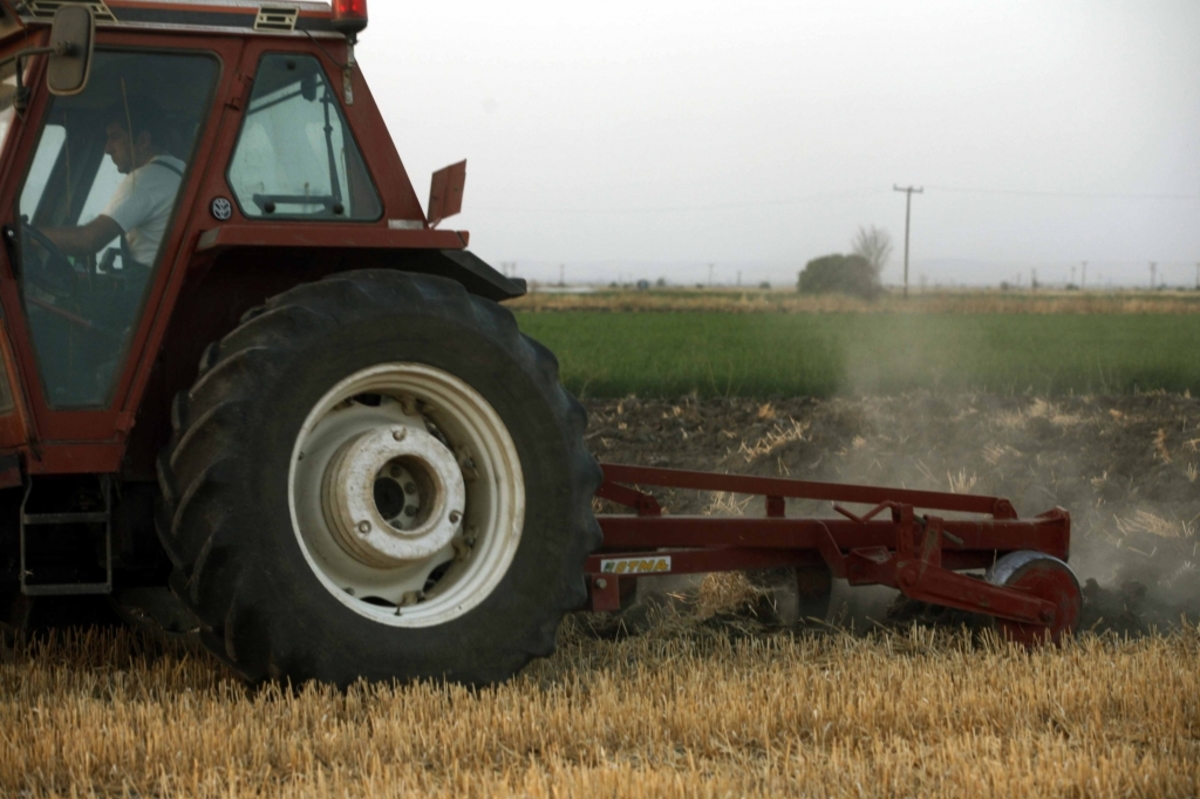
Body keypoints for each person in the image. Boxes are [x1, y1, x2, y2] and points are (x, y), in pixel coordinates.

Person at [42, 97, 184, 269]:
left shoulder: (143, 180)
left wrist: (26, 236)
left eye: (115, 137)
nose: (107, 148)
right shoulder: (178, 169)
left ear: (143, 140)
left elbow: (89, 240)